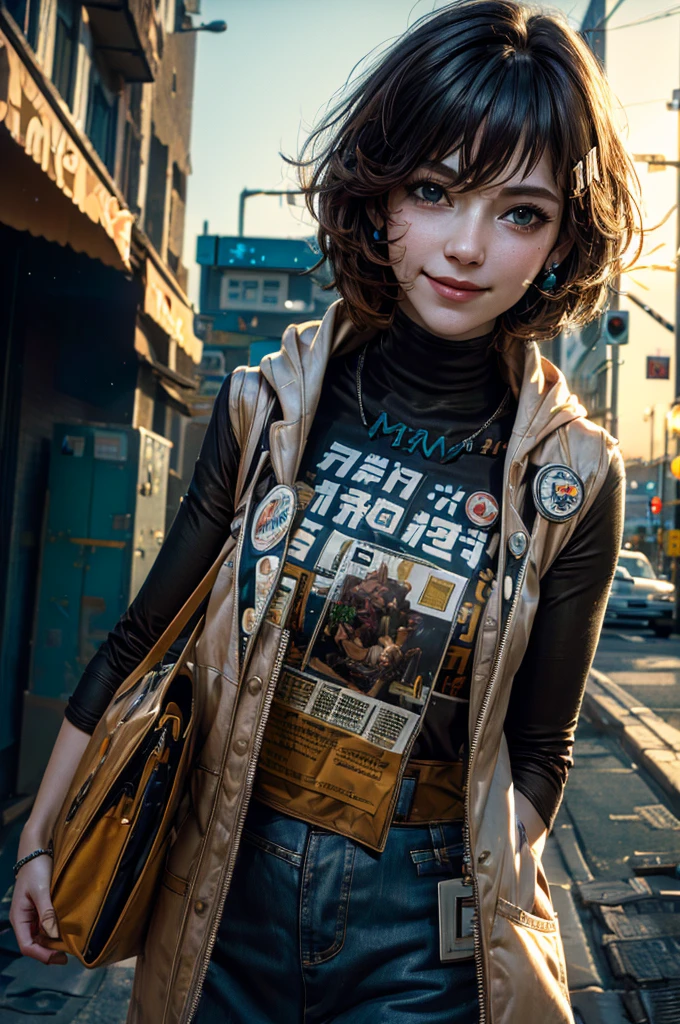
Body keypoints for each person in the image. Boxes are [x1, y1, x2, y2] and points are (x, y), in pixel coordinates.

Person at [11, 2, 641, 1022]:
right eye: (434, 191)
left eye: (518, 212)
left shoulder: (575, 473)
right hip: (226, 875)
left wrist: (493, 886)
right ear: (378, 192)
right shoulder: (268, 406)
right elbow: (139, 635)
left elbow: (541, 747)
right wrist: (43, 834)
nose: (466, 246)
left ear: (561, 244)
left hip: (422, 916)